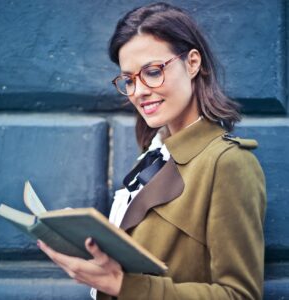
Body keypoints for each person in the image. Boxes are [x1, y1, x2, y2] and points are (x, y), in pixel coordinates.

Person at [37, 2, 266, 299]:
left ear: (193, 63)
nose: (139, 91)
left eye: (153, 72)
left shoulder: (228, 163)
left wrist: (124, 286)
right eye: (129, 80)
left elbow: (240, 295)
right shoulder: (153, 156)